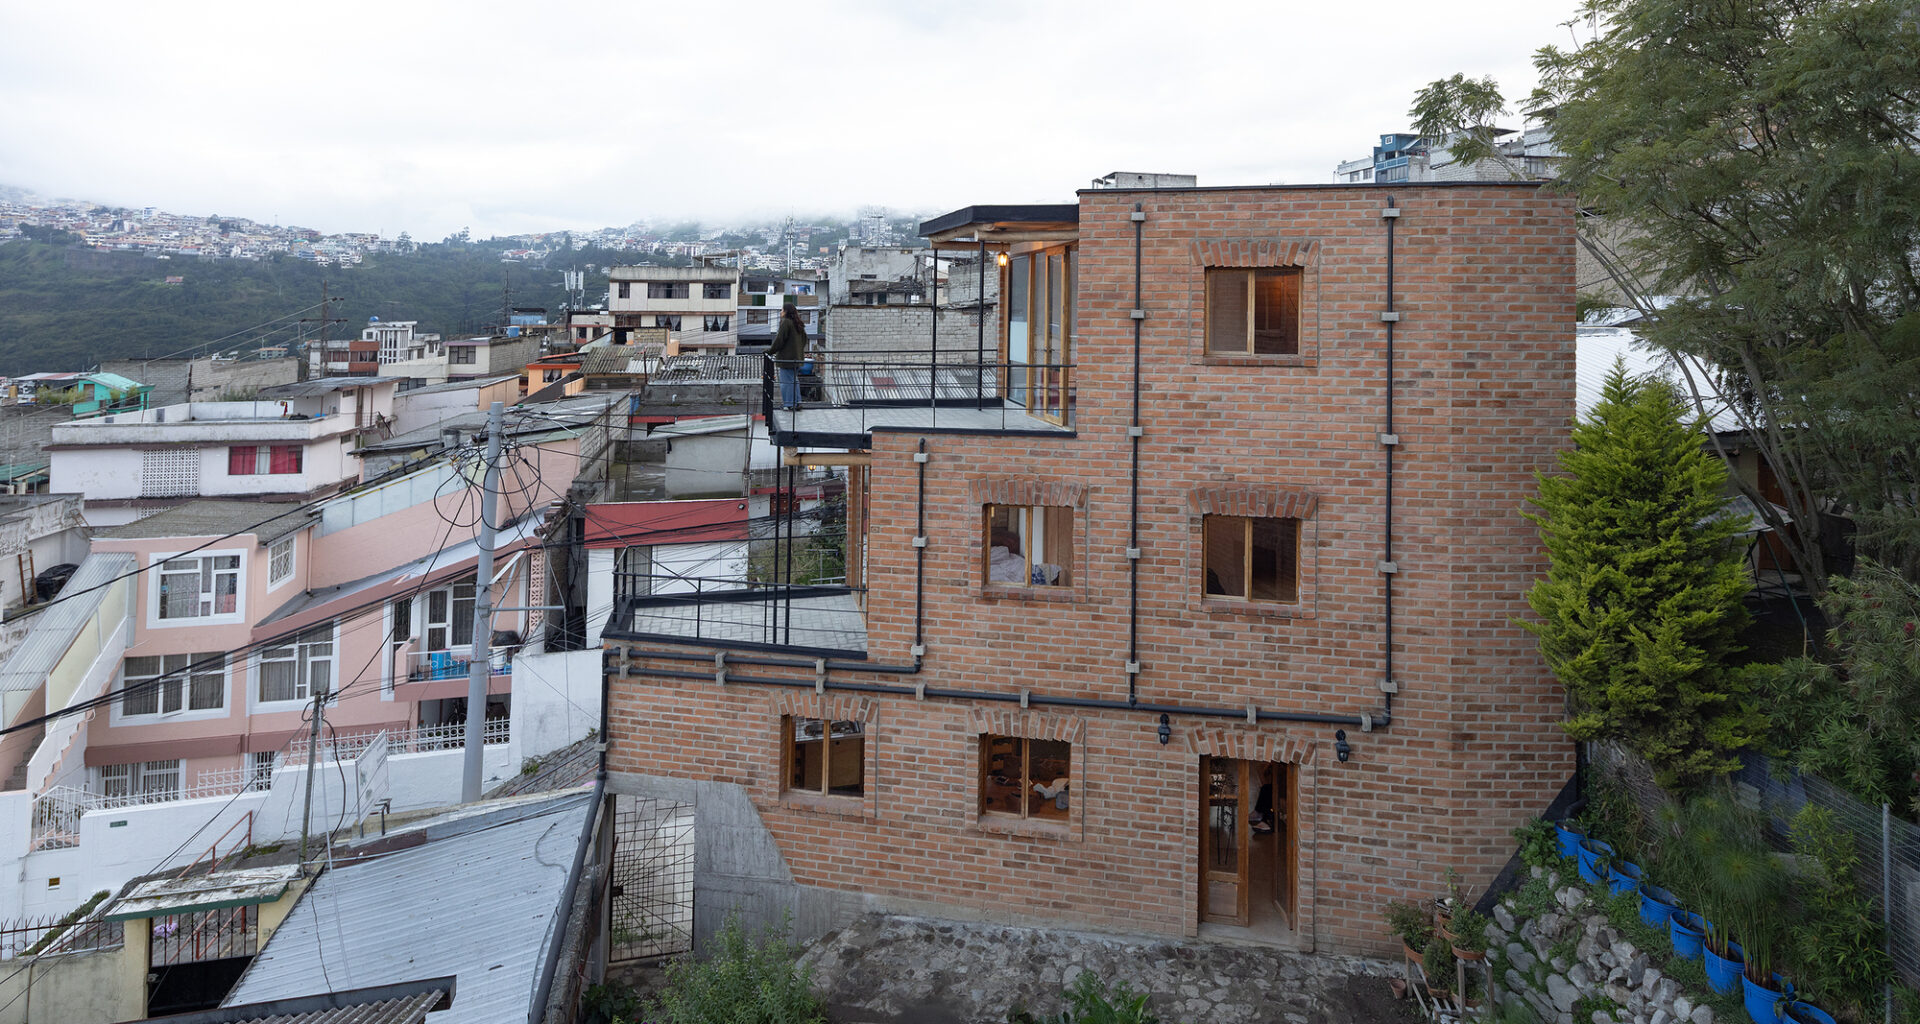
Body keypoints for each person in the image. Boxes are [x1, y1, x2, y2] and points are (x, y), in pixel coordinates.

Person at [770, 304, 809, 411]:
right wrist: (797, 351)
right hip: (797, 359)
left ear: (786, 311)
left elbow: (779, 340)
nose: (780, 312)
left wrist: (770, 351)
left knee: (786, 383)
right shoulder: (798, 323)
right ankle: (797, 402)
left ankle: (788, 404)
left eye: (782, 310)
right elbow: (805, 340)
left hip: (786, 359)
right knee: (794, 381)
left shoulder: (786, 322)